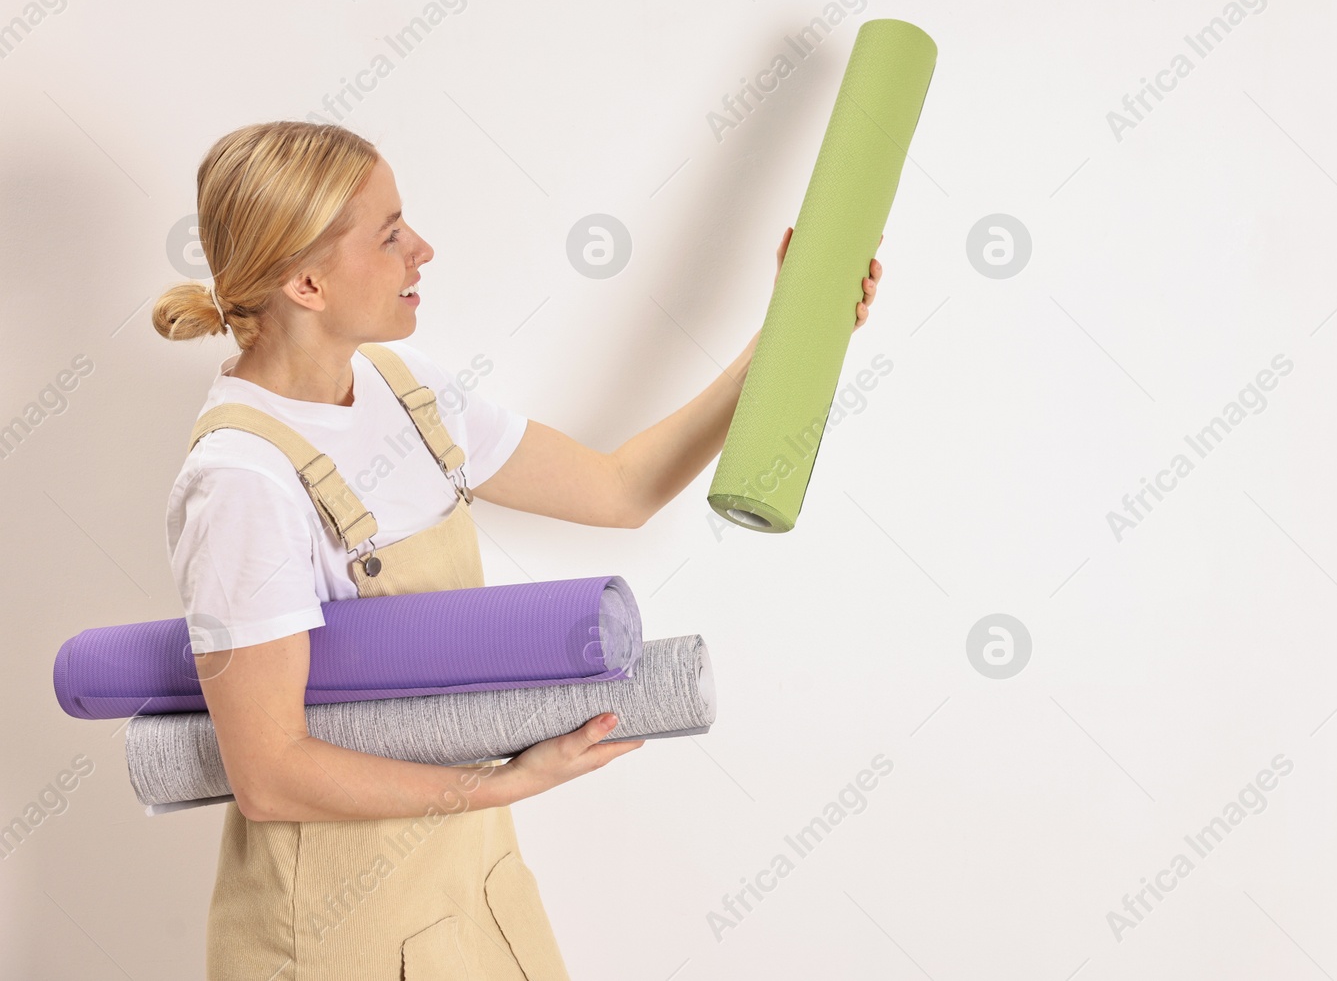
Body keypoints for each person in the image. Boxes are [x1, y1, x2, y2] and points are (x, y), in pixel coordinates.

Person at [149, 120, 882, 979]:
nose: (423, 248)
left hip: (472, 879)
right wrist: (501, 781)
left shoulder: (403, 389)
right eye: (390, 235)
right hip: (335, 924)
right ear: (307, 280)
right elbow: (269, 772)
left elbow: (621, 489)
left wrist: (790, 331)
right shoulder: (243, 479)